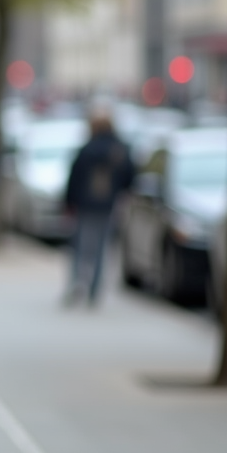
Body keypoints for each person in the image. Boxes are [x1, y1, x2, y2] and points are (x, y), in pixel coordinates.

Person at [63, 106, 135, 306]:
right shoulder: (119, 150)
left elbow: (74, 178)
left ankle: (76, 284)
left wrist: (68, 203)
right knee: (102, 249)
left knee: (81, 247)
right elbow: (130, 176)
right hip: (108, 205)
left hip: (85, 205)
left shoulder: (87, 149)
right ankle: (94, 291)